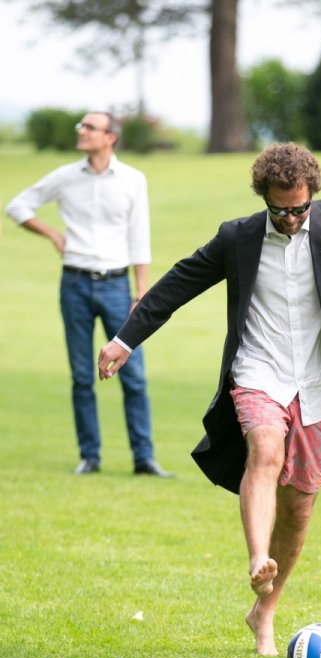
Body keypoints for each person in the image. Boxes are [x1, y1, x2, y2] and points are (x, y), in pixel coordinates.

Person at [97, 142, 321, 654]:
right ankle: (257, 558)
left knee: (298, 506)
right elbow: (176, 284)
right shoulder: (239, 237)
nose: (292, 219)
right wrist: (124, 340)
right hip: (260, 369)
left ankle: (265, 611)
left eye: (299, 208)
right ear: (264, 199)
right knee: (265, 449)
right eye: (280, 209)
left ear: (312, 195)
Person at [5, 111, 172, 477]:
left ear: (110, 137)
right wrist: (52, 235)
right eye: (81, 126)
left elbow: (139, 236)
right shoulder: (65, 177)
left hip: (116, 286)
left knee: (135, 376)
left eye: (90, 127)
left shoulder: (132, 179)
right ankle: (90, 457)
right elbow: (16, 206)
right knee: (82, 375)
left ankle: (144, 458)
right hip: (75, 285)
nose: (81, 131)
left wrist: (141, 289)